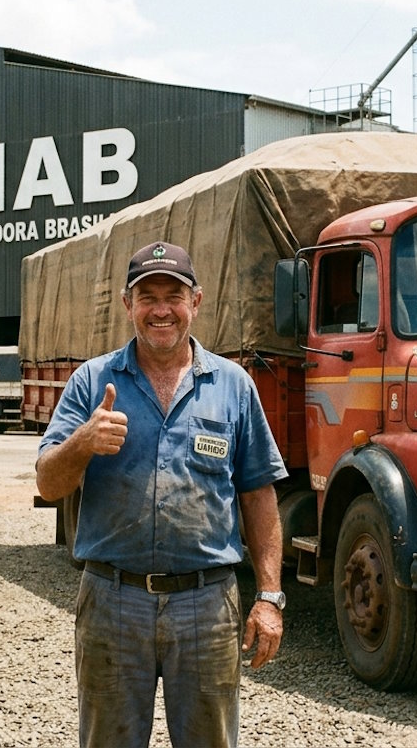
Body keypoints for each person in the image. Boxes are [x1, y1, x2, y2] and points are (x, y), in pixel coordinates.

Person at [35, 241, 288, 748]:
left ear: (196, 301)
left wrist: (268, 597)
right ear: (128, 306)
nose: (160, 309)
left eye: (173, 295)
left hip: (206, 604)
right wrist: (84, 441)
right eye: (145, 296)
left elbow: (258, 495)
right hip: (112, 601)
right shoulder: (92, 381)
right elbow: (47, 482)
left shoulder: (233, 386)